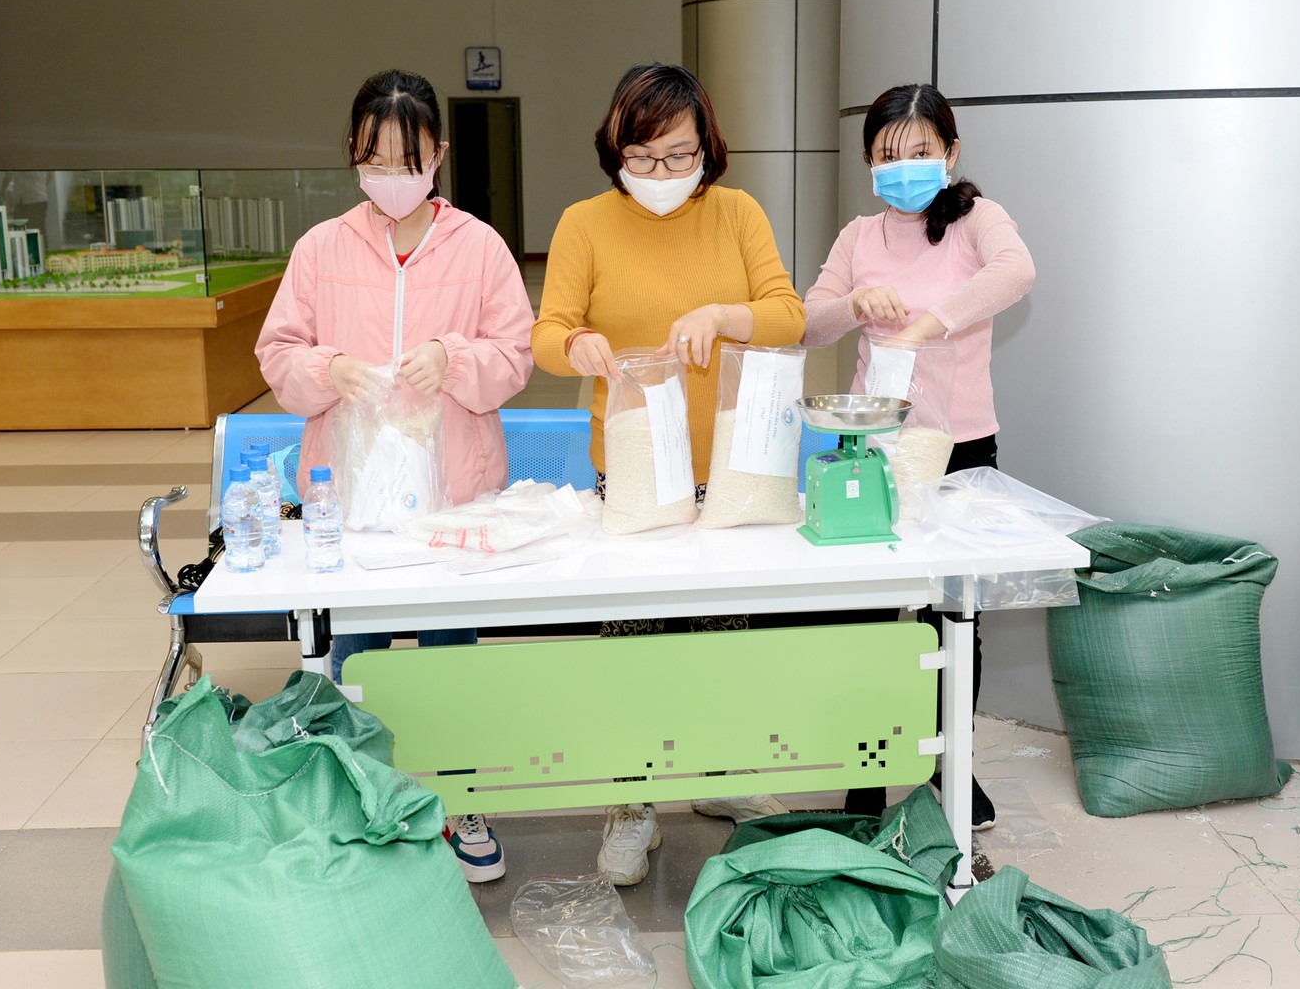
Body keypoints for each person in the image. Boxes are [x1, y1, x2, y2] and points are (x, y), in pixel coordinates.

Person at [256, 69, 534, 882]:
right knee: (356, 656)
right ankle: (356, 799)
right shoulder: (320, 249)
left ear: (436, 155)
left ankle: (458, 796)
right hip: (351, 501)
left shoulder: (478, 247)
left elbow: (515, 356)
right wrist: (329, 369)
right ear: (353, 153)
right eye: (373, 158)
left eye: (406, 159)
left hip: (454, 496)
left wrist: (454, 358)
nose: (390, 175)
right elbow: (278, 354)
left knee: (448, 656)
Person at [531, 62, 806, 885]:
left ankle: (720, 771)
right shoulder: (585, 223)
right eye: (641, 155)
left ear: (706, 148)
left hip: (729, 470)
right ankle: (632, 800)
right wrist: (576, 344)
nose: (658, 172)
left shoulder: (736, 213)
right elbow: (547, 333)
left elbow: (788, 316)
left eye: (676, 155)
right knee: (633, 642)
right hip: (634, 473)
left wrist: (724, 315)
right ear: (613, 148)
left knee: (725, 635)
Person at [801, 82, 1035, 830]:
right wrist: (853, 306)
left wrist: (927, 322)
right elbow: (809, 323)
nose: (903, 168)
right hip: (872, 446)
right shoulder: (858, 237)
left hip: (960, 445)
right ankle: (865, 771)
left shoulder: (975, 220)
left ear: (950, 153)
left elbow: (1015, 272)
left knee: (954, 615)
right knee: (868, 614)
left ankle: (950, 767)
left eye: (919, 152)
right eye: (887, 155)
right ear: (868, 161)